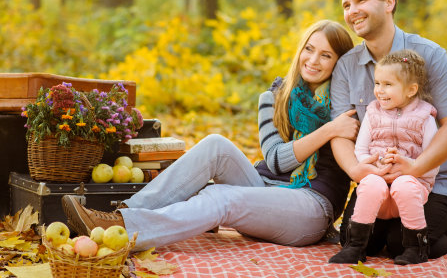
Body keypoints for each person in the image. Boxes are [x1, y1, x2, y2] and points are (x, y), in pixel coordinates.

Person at [61, 19, 366, 251]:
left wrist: (337, 126)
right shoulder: (275, 97)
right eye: (309, 49)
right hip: (264, 187)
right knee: (216, 145)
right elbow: (275, 162)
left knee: (218, 196)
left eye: (326, 55)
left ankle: (126, 232)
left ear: (340, 63)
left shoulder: (346, 107)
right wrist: (328, 130)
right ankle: (122, 214)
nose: (313, 60)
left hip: (308, 207)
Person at [329, 0, 447, 263]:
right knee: (355, 243)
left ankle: (446, 228)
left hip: (433, 182)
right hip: (377, 180)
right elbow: (341, 132)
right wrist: (357, 171)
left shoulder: (430, 55)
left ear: (389, 3)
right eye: (346, 5)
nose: (352, 11)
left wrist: (415, 168)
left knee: (398, 243)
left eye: (361, 0)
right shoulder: (346, 66)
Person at [329, 49, 439, 265]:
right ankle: (355, 247)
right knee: (370, 184)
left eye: (388, 85)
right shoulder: (373, 113)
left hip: (410, 188)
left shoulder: (425, 118)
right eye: (377, 83)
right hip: (378, 186)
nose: (379, 91)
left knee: (405, 185)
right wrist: (371, 165)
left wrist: (412, 166)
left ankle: (416, 248)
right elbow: (360, 150)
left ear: (411, 90)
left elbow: (432, 160)